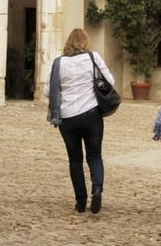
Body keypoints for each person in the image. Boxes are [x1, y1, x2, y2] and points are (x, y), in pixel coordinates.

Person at [47, 28, 116, 214]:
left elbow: (49, 90)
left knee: (74, 159)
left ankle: (80, 201)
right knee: (94, 155)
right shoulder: (93, 58)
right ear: (86, 42)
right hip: (91, 113)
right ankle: (97, 188)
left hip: (68, 117)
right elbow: (110, 81)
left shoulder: (59, 63)